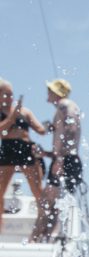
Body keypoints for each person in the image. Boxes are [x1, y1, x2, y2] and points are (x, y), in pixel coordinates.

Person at [30, 78, 83, 243]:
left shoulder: (65, 105)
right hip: (66, 160)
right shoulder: (62, 108)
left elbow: (71, 131)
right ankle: (43, 239)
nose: (47, 93)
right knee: (53, 204)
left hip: (65, 161)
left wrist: (59, 160)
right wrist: (46, 154)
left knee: (48, 202)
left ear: (56, 92)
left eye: (50, 90)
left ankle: (37, 240)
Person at [0, 78, 47, 232]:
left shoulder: (25, 111)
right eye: (6, 94)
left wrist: (50, 126)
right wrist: (12, 117)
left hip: (26, 149)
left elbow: (40, 129)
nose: (9, 97)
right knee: (1, 190)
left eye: (11, 94)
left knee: (37, 189)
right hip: (7, 149)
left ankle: (44, 223)